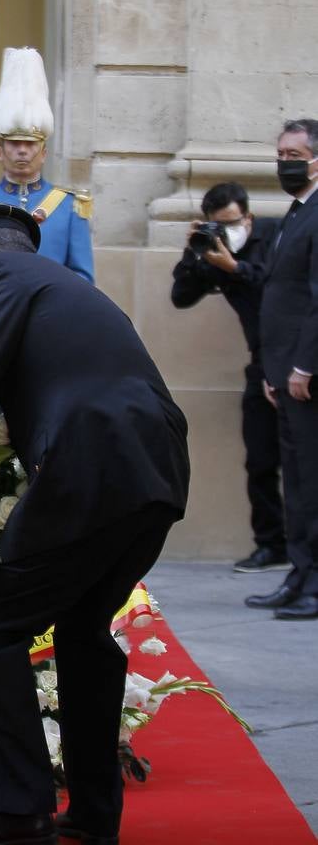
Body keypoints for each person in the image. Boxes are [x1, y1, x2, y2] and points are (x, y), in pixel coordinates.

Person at [0, 204, 189, 845]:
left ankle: (18, 812)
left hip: (89, 466)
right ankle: (95, 813)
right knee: (82, 628)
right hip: (156, 467)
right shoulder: (69, 287)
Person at [171, 182, 287, 573]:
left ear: (248, 218)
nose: (225, 232)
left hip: (298, 357)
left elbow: (281, 288)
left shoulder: (276, 234)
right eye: (215, 226)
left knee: (304, 464)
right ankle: (272, 545)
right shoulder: (214, 249)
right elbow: (181, 296)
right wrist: (195, 252)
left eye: (231, 224)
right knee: (260, 459)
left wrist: (234, 268)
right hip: (261, 361)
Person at [248, 118, 318, 620]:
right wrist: (275, 373)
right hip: (285, 376)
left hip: (306, 377)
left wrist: (304, 366)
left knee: (311, 482)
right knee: (294, 480)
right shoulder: (296, 213)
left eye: (294, 153)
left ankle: (313, 583)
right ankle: (299, 575)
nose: (284, 161)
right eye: (280, 152)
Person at [0, 47, 94, 283]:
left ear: (44, 152)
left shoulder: (70, 207)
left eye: (30, 144)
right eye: (14, 143)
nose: (22, 150)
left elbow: (83, 277)